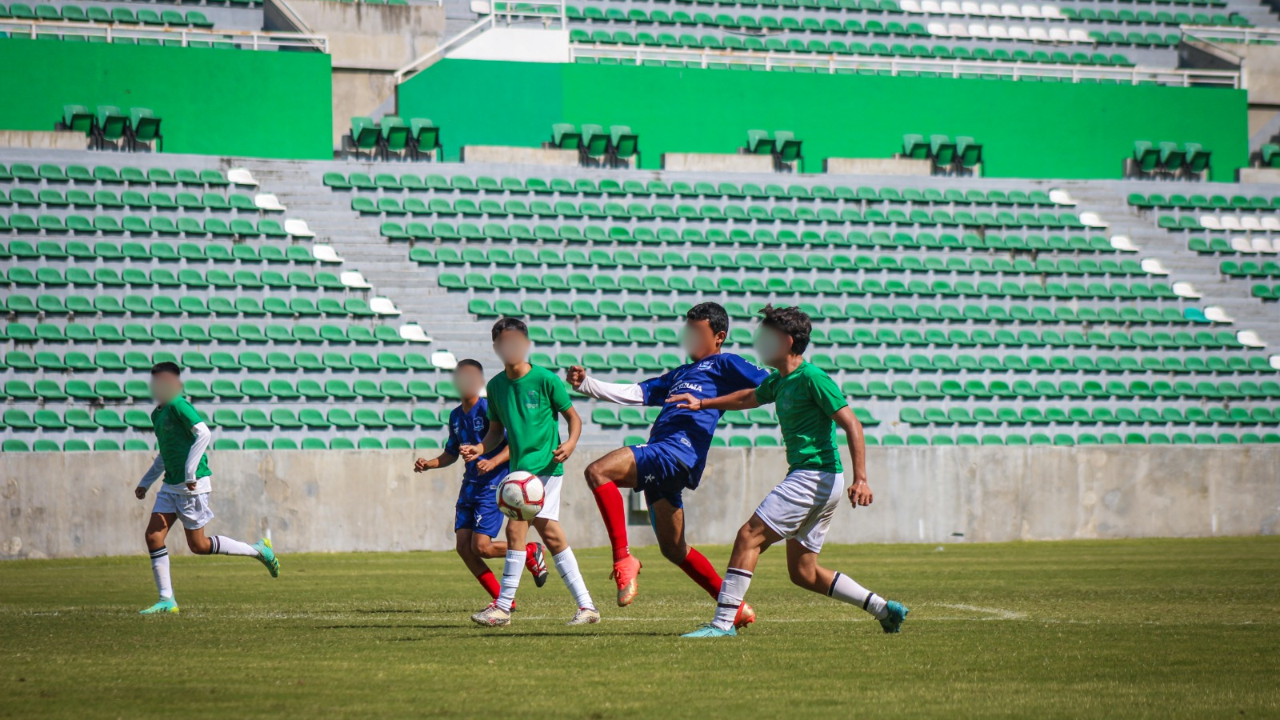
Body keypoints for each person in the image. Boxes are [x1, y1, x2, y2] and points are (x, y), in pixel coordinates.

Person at [667, 306, 908, 638]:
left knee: (748, 536)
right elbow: (749, 396)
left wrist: (862, 478)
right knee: (803, 573)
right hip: (823, 480)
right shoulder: (780, 381)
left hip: (814, 476)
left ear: (786, 341)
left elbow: (852, 424)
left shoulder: (813, 378)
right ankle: (884, 610)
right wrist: (702, 403)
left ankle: (722, 624)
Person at [566, 302, 767, 629]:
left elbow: (767, 384)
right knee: (674, 549)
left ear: (719, 337)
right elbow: (636, 393)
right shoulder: (680, 374)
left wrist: (711, 403)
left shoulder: (724, 363)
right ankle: (734, 606)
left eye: (697, 332)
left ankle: (623, 558)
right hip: (666, 459)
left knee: (597, 472)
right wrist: (588, 384)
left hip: (676, 452)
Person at [461, 318, 599, 627]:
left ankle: (503, 607)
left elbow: (573, 417)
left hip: (546, 467)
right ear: (496, 347)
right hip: (519, 471)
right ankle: (587, 606)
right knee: (550, 534)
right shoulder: (496, 387)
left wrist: (571, 443)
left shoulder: (545, 379)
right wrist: (480, 449)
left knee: (515, 532)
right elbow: (496, 432)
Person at [135, 362, 279, 615]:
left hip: (193, 485)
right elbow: (165, 454)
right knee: (154, 536)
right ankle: (166, 600)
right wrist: (145, 482)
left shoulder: (179, 405)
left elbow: (203, 433)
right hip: (171, 486)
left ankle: (258, 550)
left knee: (199, 546)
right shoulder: (157, 414)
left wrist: (190, 471)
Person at [414, 358, 549, 610]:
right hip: (470, 486)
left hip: (493, 485)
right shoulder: (456, 415)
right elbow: (451, 453)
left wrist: (493, 461)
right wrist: (430, 463)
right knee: (464, 548)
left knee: (482, 547)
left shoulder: (490, 409)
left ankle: (530, 551)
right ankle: (504, 600)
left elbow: (514, 444)